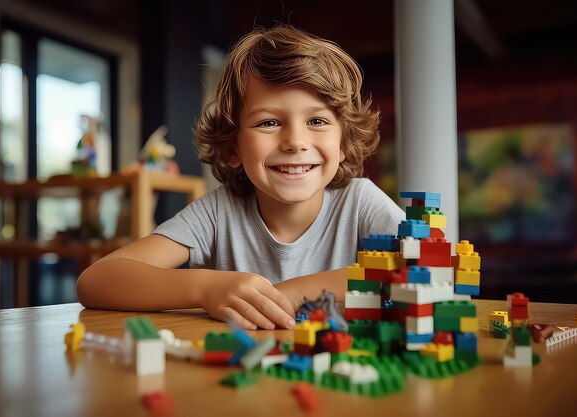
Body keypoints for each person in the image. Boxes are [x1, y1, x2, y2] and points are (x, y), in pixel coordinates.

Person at [77, 25, 405, 331]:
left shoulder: (360, 202)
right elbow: (96, 280)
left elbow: (429, 268)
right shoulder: (219, 213)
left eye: (317, 121)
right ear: (233, 147)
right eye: (268, 123)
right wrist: (205, 288)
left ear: (343, 143)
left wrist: (292, 293)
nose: (295, 141)